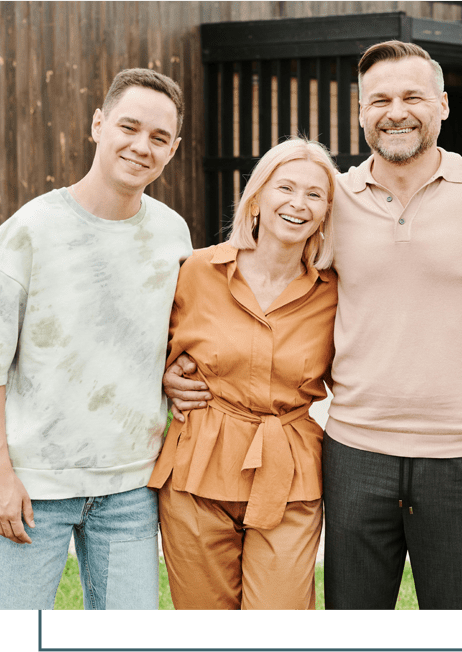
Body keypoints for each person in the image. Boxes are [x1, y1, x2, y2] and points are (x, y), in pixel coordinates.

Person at [164, 41, 462, 610]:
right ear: (360, 113)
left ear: (444, 105)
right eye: (379, 99)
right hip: (356, 450)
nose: (395, 110)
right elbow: (269, 287)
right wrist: (179, 367)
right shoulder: (331, 200)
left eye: (412, 96)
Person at [0, 69, 192, 610]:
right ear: (97, 124)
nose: (141, 146)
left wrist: (174, 371)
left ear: (173, 150)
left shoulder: (173, 234)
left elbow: (170, 338)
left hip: (131, 484)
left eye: (159, 138)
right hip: (35, 484)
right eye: (129, 127)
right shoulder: (29, 231)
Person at [147, 138, 338, 610]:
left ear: (327, 212)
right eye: (286, 187)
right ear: (256, 198)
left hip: (288, 471)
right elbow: (139, 349)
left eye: (314, 194)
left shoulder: (337, 292)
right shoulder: (195, 271)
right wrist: (164, 379)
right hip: (198, 466)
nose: (298, 203)